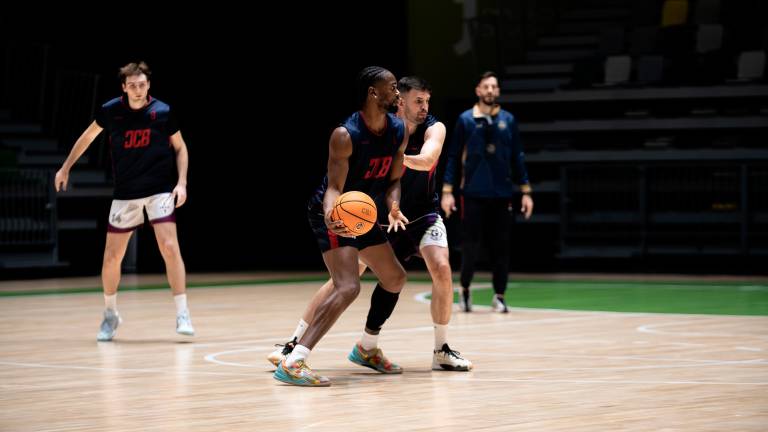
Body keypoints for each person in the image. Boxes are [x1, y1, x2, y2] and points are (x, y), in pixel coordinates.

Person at [268, 76, 472, 372]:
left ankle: (440, 349)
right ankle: (294, 344)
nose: (425, 107)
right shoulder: (374, 129)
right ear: (400, 101)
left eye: (427, 101)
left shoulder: (430, 127)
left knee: (440, 267)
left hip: (420, 214)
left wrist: (397, 157)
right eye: (418, 101)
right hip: (376, 214)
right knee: (346, 280)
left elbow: (428, 160)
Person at [273, 66, 409, 387]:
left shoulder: (398, 130)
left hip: (363, 212)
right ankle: (294, 360)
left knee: (394, 277)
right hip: (335, 212)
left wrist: (393, 205)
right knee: (348, 286)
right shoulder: (345, 135)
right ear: (373, 93)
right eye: (392, 87)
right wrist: (330, 213)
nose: (397, 93)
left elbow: (394, 180)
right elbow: (334, 187)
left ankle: (366, 349)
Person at [54, 61, 194, 341]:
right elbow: (87, 137)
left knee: (169, 247)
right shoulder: (111, 111)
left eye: (142, 84)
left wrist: (181, 183)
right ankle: (110, 314)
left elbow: (181, 148)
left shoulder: (163, 112)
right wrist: (66, 167)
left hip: (159, 190)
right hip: (126, 193)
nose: (138, 89)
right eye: (132, 85)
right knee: (111, 258)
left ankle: (183, 312)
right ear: (124, 87)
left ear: (148, 85)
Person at [440, 71, 534, 313]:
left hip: (502, 195)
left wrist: (526, 191)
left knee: (501, 248)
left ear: (498, 91)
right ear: (478, 91)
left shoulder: (508, 120)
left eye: (494, 86)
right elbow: (453, 157)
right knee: (470, 247)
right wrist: (448, 191)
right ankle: (465, 289)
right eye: (486, 86)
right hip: (472, 194)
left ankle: (499, 296)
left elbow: (517, 157)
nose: (490, 90)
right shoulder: (465, 120)